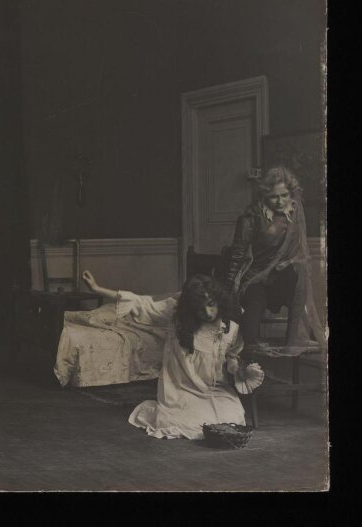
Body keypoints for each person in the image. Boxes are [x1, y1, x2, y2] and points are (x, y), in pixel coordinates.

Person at [124, 274, 246, 440]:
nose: (208, 313)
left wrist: (233, 365)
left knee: (232, 417)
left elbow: (232, 354)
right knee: (182, 422)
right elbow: (144, 304)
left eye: (211, 305)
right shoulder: (178, 322)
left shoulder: (229, 328)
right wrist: (98, 289)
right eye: (200, 309)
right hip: (182, 389)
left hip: (216, 389)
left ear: (219, 301)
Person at [226, 166, 323, 349]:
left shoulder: (295, 210)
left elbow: (300, 250)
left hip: (283, 280)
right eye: (273, 196)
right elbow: (237, 255)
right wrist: (230, 289)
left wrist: (289, 262)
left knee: (300, 271)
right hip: (256, 278)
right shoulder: (252, 216)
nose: (280, 201)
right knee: (250, 339)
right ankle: (248, 363)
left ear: (291, 193)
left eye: (284, 195)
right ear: (264, 195)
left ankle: (292, 339)